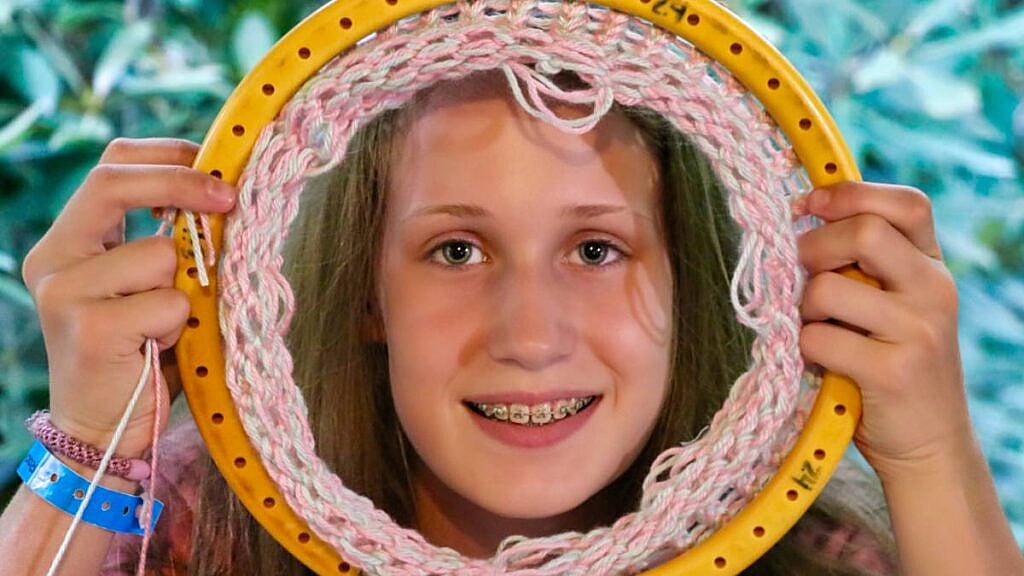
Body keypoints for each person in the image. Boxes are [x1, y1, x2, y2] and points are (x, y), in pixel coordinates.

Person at [1, 69, 1022, 576]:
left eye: (596, 250)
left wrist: (931, 455)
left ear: (699, 284)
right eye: (457, 250)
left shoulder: (816, 555)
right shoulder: (195, 527)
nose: (530, 338)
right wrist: (90, 443)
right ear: (367, 293)